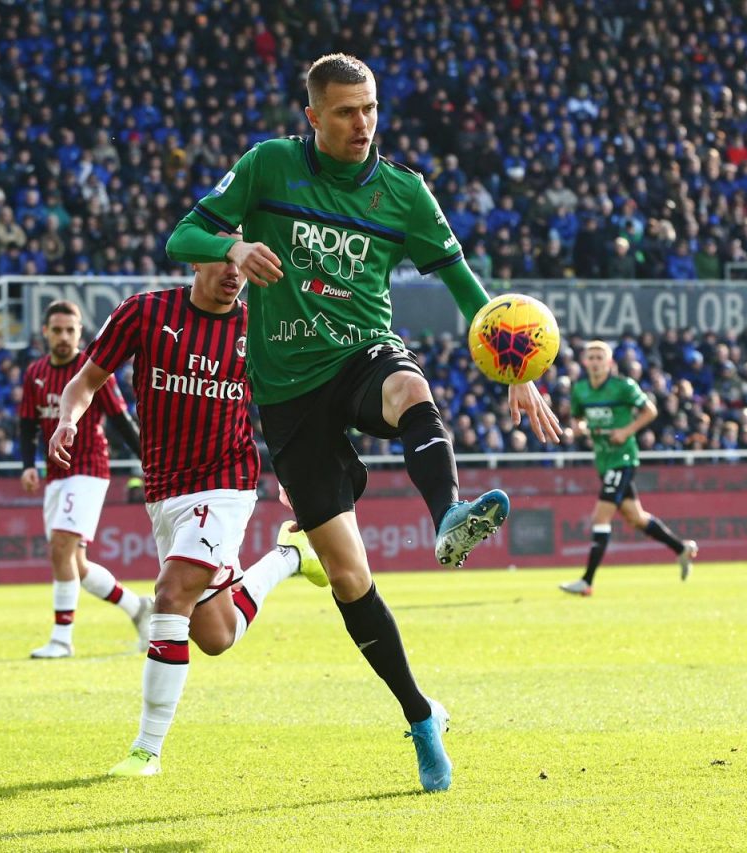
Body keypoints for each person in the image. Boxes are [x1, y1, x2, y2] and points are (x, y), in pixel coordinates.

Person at [162, 53, 561, 792]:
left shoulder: (404, 191)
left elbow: (464, 286)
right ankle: (420, 716)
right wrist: (233, 245)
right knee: (350, 577)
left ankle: (449, 515)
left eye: (371, 108)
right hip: (286, 394)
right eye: (345, 112)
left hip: (360, 355)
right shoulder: (267, 169)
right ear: (311, 116)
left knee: (408, 385)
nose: (362, 124)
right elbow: (180, 238)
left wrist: (519, 368)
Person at [48, 242, 328, 778]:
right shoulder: (145, 312)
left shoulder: (260, 328)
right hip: (165, 490)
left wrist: (294, 478)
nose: (233, 273)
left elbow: (284, 411)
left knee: (171, 593)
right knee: (214, 635)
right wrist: (68, 419)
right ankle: (289, 558)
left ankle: (146, 750)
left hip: (227, 482)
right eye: (224, 259)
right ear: (196, 259)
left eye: (243, 265)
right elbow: (85, 381)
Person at [18, 300, 151, 658]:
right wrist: (28, 463)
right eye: (57, 330)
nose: (64, 337)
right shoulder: (35, 373)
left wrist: (148, 461)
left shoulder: (92, 371)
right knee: (74, 563)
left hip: (90, 467)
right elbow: (28, 423)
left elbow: (122, 423)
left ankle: (62, 639)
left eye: (70, 330)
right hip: (55, 474)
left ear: (80, 333)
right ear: (46, 332)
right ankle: (139, 609)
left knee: (60, 545)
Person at [559, 341, 699, 596]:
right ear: (584, 362)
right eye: (591, 357)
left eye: (600, 357)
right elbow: (578, 419)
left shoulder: (623, 386)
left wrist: (626, 431)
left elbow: (650, 411)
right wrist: (578, 427)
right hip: (603, 460)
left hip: (623, 458)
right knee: (636, 518)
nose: (595, 361)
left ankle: (587, 581)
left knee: (600, 518)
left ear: (609, 362)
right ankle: (681, 548)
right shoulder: (580, 390)